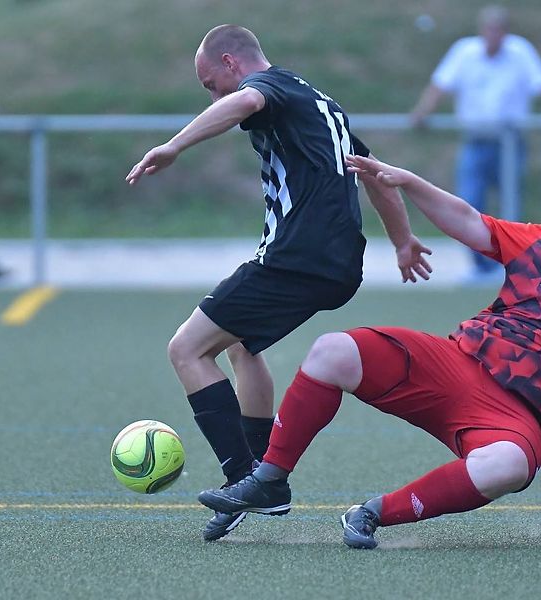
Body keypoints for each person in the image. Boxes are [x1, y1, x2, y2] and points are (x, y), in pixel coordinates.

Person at [198, 154, 541, 550]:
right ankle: (270, 479)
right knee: (332, 351)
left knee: (510, 465)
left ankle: (372, 514)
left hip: (513, 419)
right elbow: (468, 221)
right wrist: (410, 182)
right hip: (452, 365)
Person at [125, 25, 432, 541]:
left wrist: (174, 146)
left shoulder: (271, 88)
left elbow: (244, 102)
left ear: (231, 62)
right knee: (241, 345)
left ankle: (249, 480)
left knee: (187, 349)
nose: (213, 97)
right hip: (333, 263)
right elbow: (373, 173)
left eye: (211, 85)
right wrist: (402, 240)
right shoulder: (320, 103)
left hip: (298, 258)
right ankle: (259, 481)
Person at [409, 5, 541, 282]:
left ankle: (514, 268)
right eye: (489, 30)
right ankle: (482, 268)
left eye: (498, 31)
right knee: (469, 202)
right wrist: (422, 111)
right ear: (482, 31)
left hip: (510, 144)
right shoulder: (465, 52)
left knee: (509, 207)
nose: (493, 36)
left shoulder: (520, 52)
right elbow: (440, 83)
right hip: (475, 140)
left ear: (505, 32)